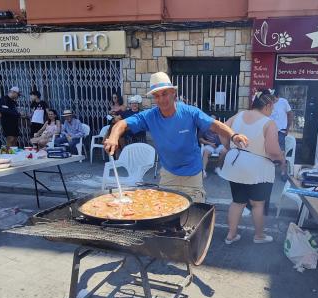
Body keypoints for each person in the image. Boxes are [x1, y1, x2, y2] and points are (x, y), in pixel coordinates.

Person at [104, 72, 249, 203]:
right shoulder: (150, 116)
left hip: (192, 174)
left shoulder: (190, 112)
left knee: (194, 211)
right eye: (157, 95)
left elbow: (215, 125)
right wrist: (113, 137)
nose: (161, 99)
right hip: (169, 173)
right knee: (167, 212)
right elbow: (122, 124)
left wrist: (233, 135)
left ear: (173, 93)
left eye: (165, 93)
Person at [219, 89, 285, 245]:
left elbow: (221, 130)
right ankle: (259, 236)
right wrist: (281, 158)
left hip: (235, 163)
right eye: (272, 108)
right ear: (268, 105)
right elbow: (272, 151)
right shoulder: (269, 123)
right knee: (257, 204)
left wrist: (228, 146)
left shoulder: (239, 115)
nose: (272, 111)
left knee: (237, 201)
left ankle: (231, 235)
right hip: (257, 168)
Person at [270, 90, 294, 179]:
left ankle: (283, 172)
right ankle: (267, 172)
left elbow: (290, 114)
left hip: (281, 131)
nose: (273, 100)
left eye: (274, 98)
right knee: (268, 151)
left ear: (277, 96)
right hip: (270, 131)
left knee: (282, 152)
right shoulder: (268, 103)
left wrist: (288, 127)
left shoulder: (283, 102)